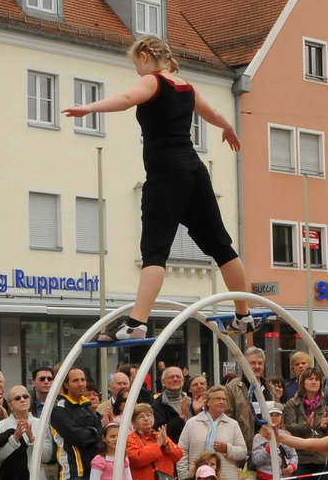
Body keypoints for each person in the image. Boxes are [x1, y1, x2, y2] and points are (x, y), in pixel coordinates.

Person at [61, 34, 253, 343]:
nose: (136, 70)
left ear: (146, 55)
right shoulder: (186, 87)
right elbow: (214, 115)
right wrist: (228, 128)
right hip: (195, 173)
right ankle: (243, 316)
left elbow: (125, 100)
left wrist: (89, 108)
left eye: (136, 62)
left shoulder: (153, 81)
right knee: (221, 246)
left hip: (166, 177)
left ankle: (137, 322)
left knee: (154, 252)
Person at [180, 386, 248, 480]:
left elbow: (242, 452)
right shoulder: (192, 423)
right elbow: (182, 451)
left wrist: (227, 449)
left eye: (224, 399)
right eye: (218, 399)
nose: (222, 402)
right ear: (208, 402)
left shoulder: (233, 424)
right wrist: (184, 477)